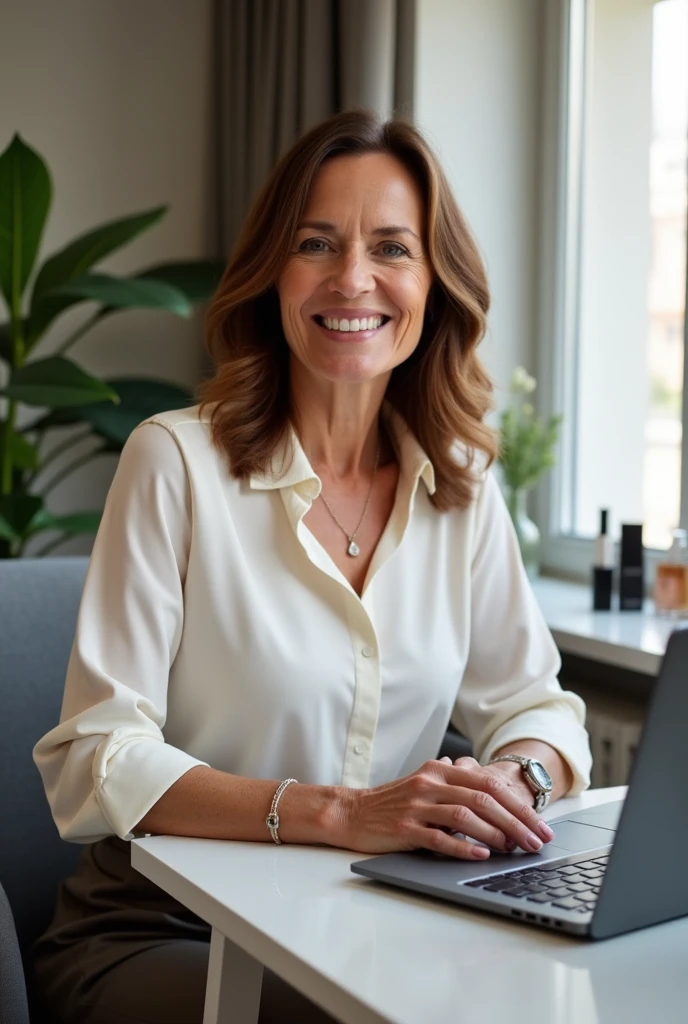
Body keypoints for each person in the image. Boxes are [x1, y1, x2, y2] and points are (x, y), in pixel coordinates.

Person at [32, 109, 591, 1024]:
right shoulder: (173, 463)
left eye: (392, 248)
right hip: (162, 929)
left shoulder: (460, 486)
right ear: (272, 276)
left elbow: (535, 709)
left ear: (433, 283)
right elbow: (98, 755)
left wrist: (514, 782)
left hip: (371, 921)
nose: (353, 279)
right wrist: (341, 813)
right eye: (317, 243)